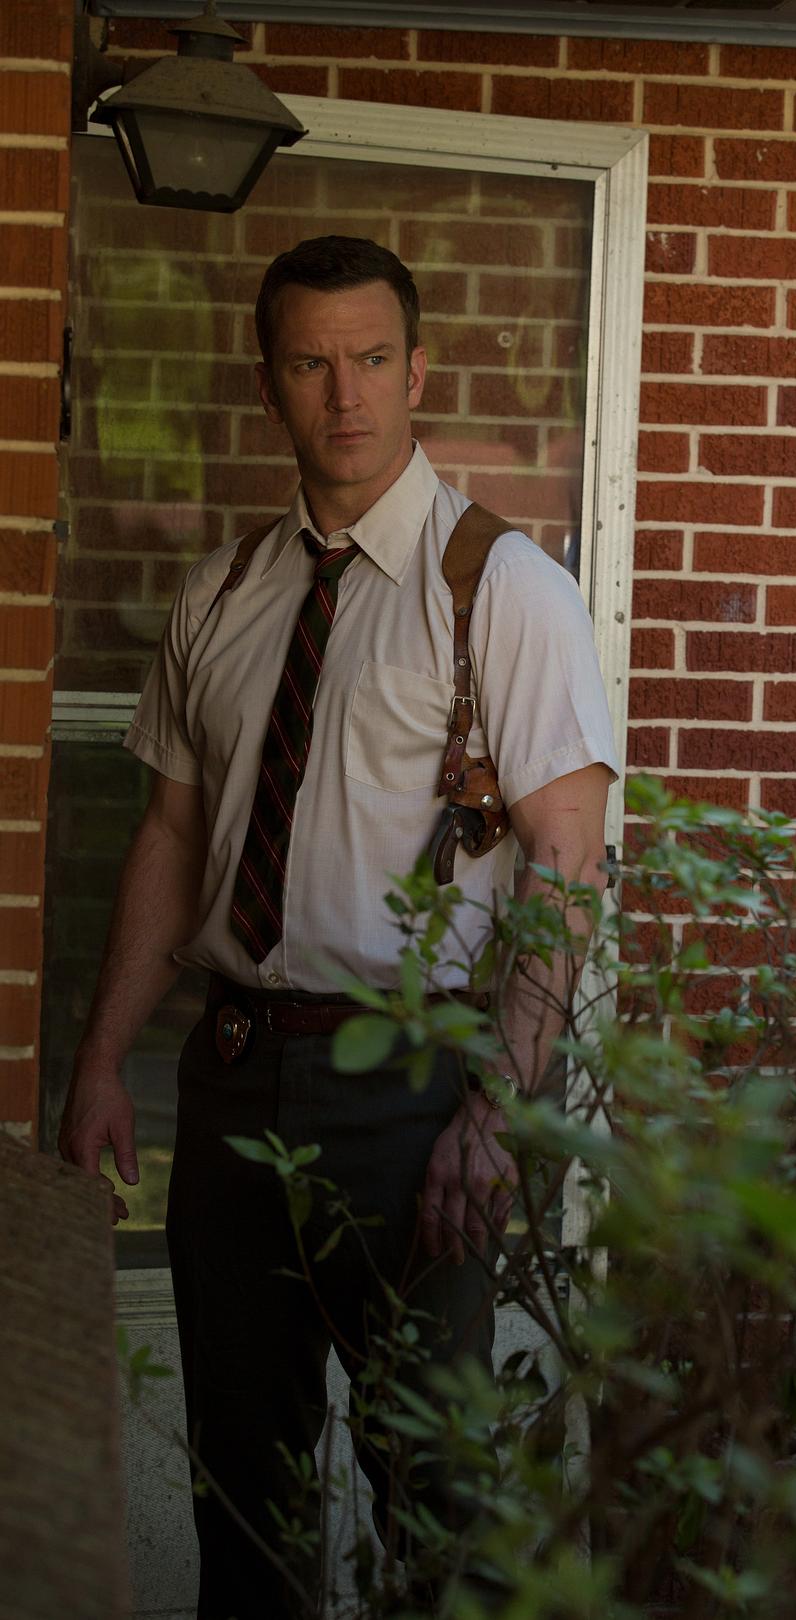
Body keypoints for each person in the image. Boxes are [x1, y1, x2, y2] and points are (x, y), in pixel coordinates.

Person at [58, 236, 618, 1619]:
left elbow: (564, 865)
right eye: (311, 364)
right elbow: (171, 837)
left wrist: (499, 1112)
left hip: (413, 1095)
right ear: (270, 385)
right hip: (231, 1074)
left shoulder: (501, 588)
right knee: (242, 1496)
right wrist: (101, 1058)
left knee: (436, 1505)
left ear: (417, 372)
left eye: (372, 359)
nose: (345, 394)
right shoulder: (222, 593)